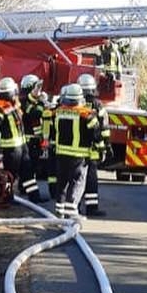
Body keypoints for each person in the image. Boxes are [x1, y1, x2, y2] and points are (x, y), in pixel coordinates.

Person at [52, 81, 101, 219]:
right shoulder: (87, 114)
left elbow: (52, 130)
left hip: (61, 154)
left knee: (62, 182)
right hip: (79, 155)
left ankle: (59, 210)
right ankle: (72, 212)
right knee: (77, 182)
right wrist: (100, 147)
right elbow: (96, 134)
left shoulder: (57, 112)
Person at [0, 77, 27, 191]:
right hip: (11, 148)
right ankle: (7, 195)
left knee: (25, 171)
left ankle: (33, 195)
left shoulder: (12, 104)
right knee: (10, 174)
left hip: (21, 145)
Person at [78, 73, 112, 216]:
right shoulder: (97, 105)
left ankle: (75, 207)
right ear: (93, 88)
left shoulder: (75, 104)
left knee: (77, 180)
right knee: (91, 178)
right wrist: (106, 146)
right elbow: (104, 128)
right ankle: (91, 208)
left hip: (77, 148)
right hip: (92, 149)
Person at [20, 74, 50, 197]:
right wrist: (42, 103)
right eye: (37, 87)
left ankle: (24, 190)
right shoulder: (23, 101)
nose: (39, 90)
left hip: (35, 141)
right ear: (29, 87)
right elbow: (35, 113)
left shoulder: (34, 101)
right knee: (29, 168)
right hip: (28, 141)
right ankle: (32, 195)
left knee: (31, 167)